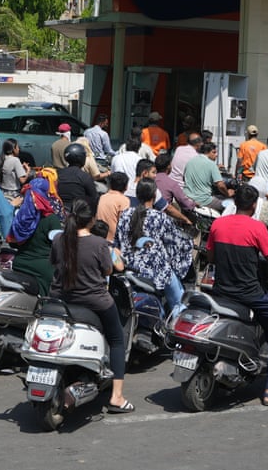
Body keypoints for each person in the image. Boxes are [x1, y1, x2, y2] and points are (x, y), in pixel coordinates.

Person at [206, 185, 268, 406]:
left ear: (234, 203)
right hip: (251, 294)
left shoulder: (218, 224)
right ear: (253, 205)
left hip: (221, 292)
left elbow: (211, 257)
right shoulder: (257, 228)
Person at [50, 199, 135, 413]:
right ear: (91, 220)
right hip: (95, 301)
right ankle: (116, 396)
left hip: (61, 300)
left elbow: (54, 263)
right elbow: (108, 271)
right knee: (117, 340)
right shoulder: (99, 243)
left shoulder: (59, 239)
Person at [115, 179, 193, 314]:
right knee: (178, 301)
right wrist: (189, 243)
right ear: (154, 196)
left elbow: (117, 242)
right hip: (156, 271)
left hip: (129, 267)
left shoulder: (125, 215)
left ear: (137, 195)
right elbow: (175, 242)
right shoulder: (160, 217)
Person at [183, 142, 231, 210]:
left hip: (187, 197)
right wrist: (228, 194)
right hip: (204, 201)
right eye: (214, 152)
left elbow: (184, 178)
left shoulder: (190, 162)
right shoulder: (211, 164)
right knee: (231, 204)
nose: (216, 155)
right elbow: (221, 185)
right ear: (207, 152)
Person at [56, 143, 99, 212]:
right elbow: (94, 197)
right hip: (78, 214)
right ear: (81, 157)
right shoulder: (84, 176)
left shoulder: (57, 174)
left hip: (59, 212)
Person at [96, 173, 130, 243]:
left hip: (98, 237)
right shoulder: (124, 200)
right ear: (126, 187)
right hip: (113, 240)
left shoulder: (102, 197)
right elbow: (123, 223)